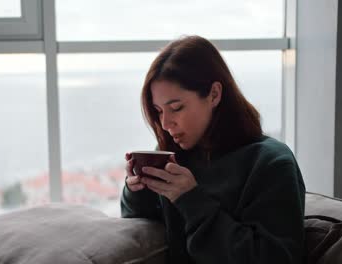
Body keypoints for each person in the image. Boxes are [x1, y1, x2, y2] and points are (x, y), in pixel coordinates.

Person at [121, 35, 305, 264]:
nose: (166, 124)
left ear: (214, 94)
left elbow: (274, 258)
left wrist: (190, 200)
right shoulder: (175, 157)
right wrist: (137, 190)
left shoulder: (271, 163)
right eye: (158, 111)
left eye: (176, 108)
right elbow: (141, 232)